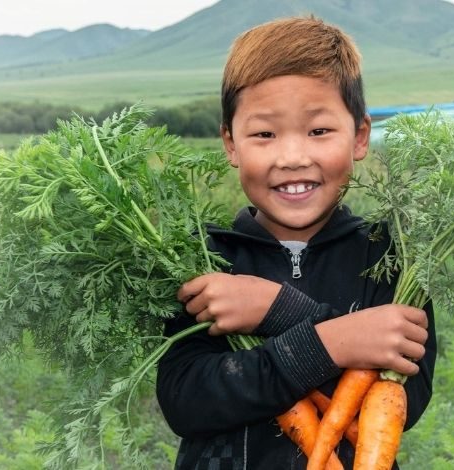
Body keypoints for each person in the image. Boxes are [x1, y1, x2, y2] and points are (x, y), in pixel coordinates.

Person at [156, 16, 436, 469]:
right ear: (231, 144)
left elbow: (407, 402)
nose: (292, 157)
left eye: (318, 131)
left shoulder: (392, 255)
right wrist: (330, 342)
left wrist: (280, 311)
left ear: (359, 136)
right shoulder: (201, 260)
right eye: (264, 134)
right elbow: (187, 402)